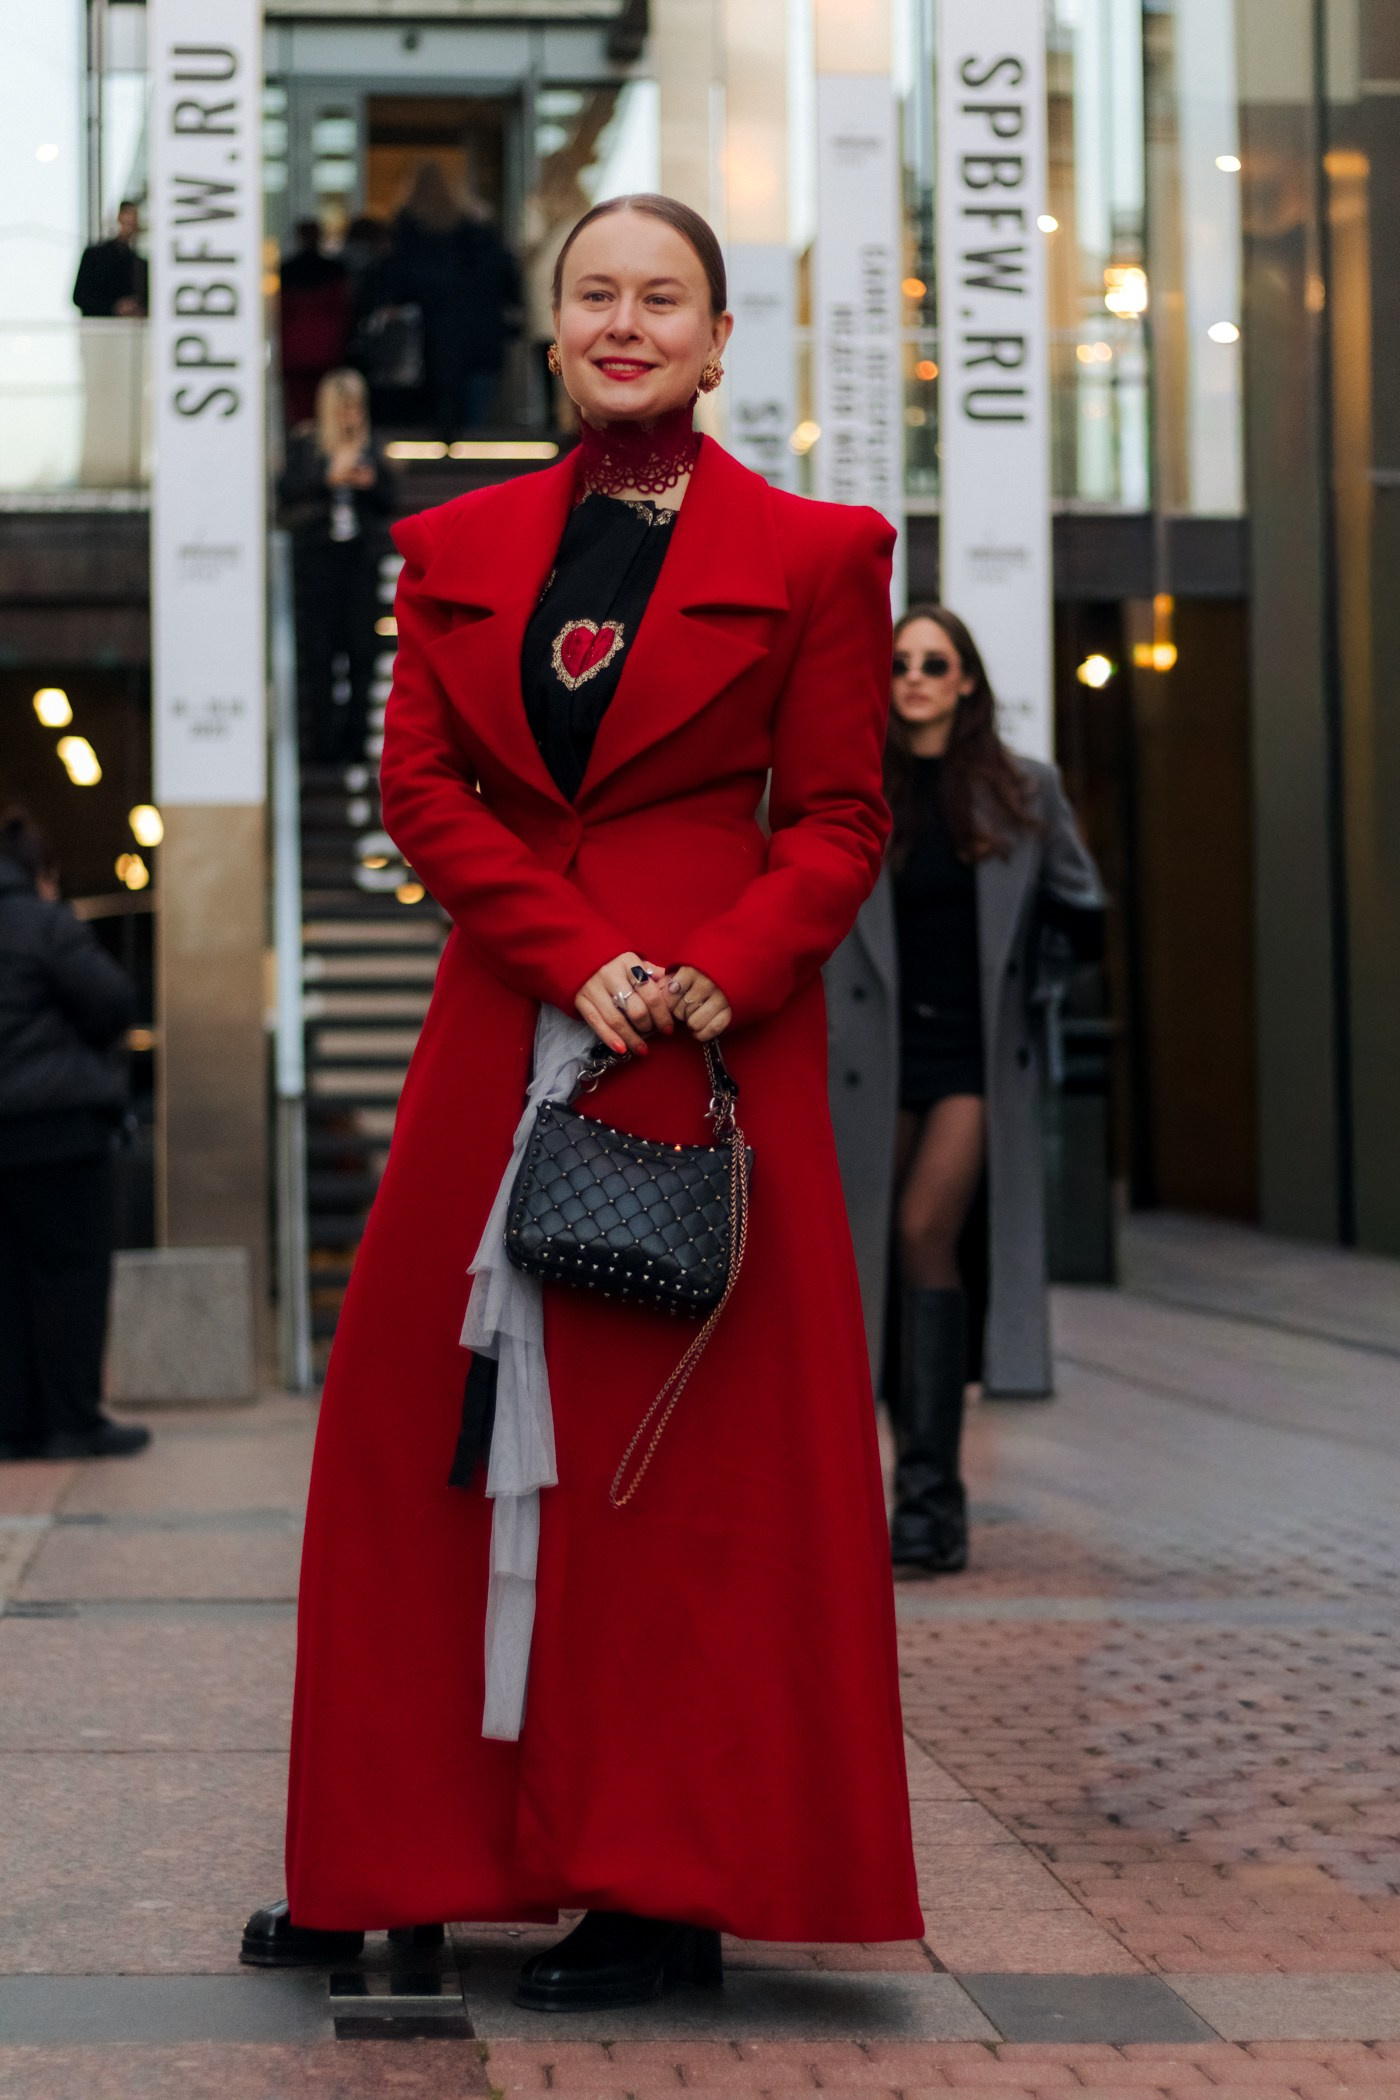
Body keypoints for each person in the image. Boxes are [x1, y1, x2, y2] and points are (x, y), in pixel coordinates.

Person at [242, 192, 921, 2003]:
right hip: (506, 1022)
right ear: (552, 334)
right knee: (413, 1433)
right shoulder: (452, 544)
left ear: (718, 339)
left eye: (663, 298)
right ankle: (386, 1848)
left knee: (674, 1469)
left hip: (703, 1043)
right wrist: (563, 947)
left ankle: (660, 1884)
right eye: (596, 295)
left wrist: (729, 964)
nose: (627, 323)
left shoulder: (821, 554)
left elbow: (840, 816)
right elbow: (420, 789)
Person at [825, 608, 1104, 1574]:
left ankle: (930, 1498)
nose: (914, 677)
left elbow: (1081, 907)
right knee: (871, 1259)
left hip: (972, 1062)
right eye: (899, 661)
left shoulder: (1023, 789)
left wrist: (1036, 984)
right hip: (872, 1059)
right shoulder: (856, 787)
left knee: (921, 1234)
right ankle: (908, 1497)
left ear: (967, 681)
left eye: (933, 663)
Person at [0, 809, 148, 1462]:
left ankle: (13, 1426)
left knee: (7, 1282)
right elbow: (111, 1001)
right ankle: (72, 1422)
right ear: (41, 874)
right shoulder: (45, 924)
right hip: (59, 1131)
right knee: (71, 1277)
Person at [278, 368, 397, 766]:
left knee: (362, 652)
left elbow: (389, 501)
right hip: (319, 560)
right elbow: (286, 493)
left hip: (360, 561)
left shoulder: (372, 447)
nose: (351, 416)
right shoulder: (307, 446)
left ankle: (357, 741)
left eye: (357, 408)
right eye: (344, 408)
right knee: (321, 653)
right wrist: (327, 479)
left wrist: (370, 481)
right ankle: (324, 745)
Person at [390, 163, 522, 434]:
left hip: (430, 335)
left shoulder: (409, 232)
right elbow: (501, 275)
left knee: (432, 413)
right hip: (475, 334)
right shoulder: (473, 230)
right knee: (473, 414)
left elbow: (401, 281)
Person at [279, 219, 351, 427]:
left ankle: (304, 434)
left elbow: (282, 312)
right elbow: (342, 310)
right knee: (327, 397)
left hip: (294, 346)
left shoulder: (286, 271)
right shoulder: (334, 271)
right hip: (327, 345)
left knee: (299, 403)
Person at [72, 201, 148, 318]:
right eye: (128, 218)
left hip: (132, 326)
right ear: (119, 218)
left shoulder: (139, 264)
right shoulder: (95, 255)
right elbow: (80, 297)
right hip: (101, 325)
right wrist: (114, 307)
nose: (131, 223)